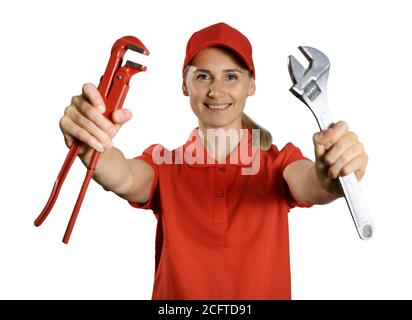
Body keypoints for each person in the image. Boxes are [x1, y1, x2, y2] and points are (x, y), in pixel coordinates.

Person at [59, 22, 368, 299]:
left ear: (251, 85)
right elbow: (124, 176)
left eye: (231, 77)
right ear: (185, 84)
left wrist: (333, 175)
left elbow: (312, 183)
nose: (216, 90)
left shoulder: (278, 162)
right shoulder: (164, 164)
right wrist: (93, 147)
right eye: (203, 76)